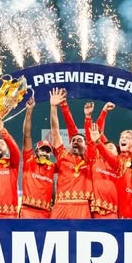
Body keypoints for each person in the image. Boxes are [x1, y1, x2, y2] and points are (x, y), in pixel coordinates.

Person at [49, 88, 94, 219]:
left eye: (79, 140)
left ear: (86, 145)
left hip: (82, 206)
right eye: (73, 140)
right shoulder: (62, 154)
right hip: (60, 206)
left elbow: (91, 139)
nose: (75, 141)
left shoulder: (90, 159)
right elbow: (55, 130)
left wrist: (88, 117)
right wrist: (53, 107)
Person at [18, 97, 57, 219]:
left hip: (46, 212)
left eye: (48, 151)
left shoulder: (52, 167)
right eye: (42, 150)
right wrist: (29, 111)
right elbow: (27, 135)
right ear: (36, 151)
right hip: (28, 211)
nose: (45, 153)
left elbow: (52, 186)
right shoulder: (29, 160)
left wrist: (54, 201)